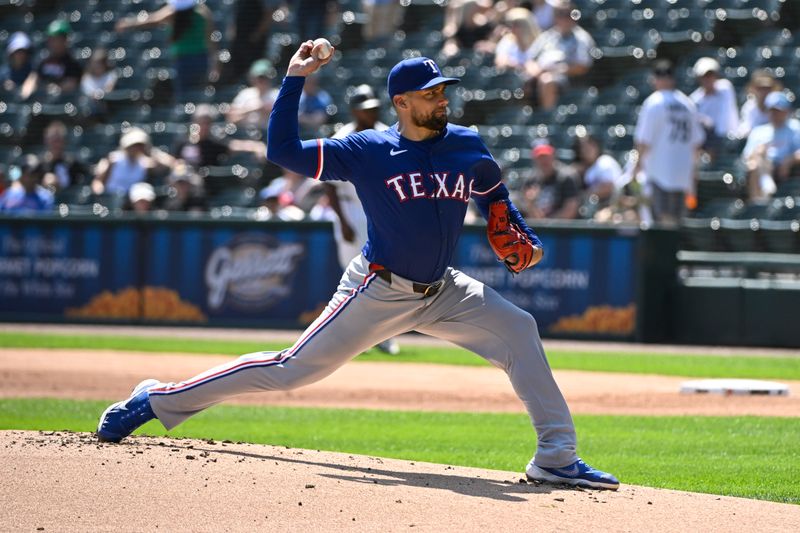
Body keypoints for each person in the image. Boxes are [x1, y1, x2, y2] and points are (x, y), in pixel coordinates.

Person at [96, 42, 619, 492]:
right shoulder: (367, 149)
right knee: (289, 370)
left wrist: (507, 216)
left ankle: (555, 458)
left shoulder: (465, 142)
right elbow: (282, 150)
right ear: (402, 102)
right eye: (432, 92)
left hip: (442, 291)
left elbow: (491, 192)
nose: (442, 98)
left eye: (443, 91)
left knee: (519, 329)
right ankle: (157, 398)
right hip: (377, 288)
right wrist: (295, 78)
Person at [322, 84, 399, 355]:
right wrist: (342, 220)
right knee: (352, 276)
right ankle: (354, 337)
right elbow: (328, 184)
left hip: (378, 210)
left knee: (383, 275)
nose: (372, 112)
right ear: (354, 110)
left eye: (374, 107)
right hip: (350, 210)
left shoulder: (385, 134)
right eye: (366, 109)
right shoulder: (341, 138)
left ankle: (384, 336)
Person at [633, 60, 704, 224]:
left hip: (659, 172)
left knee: (659, 223)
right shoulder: (687, 103)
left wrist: (637, 166)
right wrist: (693, 172)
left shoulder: (654, 102)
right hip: (682, 173)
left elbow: (644, 140)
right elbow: (697, 144)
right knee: (675, 223)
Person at [115, 0, 219, 102]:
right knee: (197, 94)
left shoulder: (174, 12)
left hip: (184, 61)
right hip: (201, 59)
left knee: (185, 96)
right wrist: (214, 63)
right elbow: (211, 40)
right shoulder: (203, 12)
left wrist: (128, 23)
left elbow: (153, 19)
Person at [524, 0, 594, 110]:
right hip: (539, 74)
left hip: (568, 79)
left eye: (567, 15)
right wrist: (535, 71)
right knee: (518, 81)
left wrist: (555, 70)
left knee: (547, 80)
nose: (564, 19)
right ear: (555, 17)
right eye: (560, 14)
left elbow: (582, 66)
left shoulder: (581, 38)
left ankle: (548, 119)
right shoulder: (547, 36)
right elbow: (529, 59)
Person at [742, 91, 800, 199]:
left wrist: (790, 160)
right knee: (755, 163)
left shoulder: (795, 128)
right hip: (763, 166)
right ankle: (759, 203)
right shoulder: (759, 131)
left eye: (778, 111)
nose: (775, 114)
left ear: (786, 111)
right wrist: (758, 152)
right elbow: (747, 156)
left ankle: (768, 187)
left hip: (786, 169)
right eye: (772, 111)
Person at [174, 104, 267, 168]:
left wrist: (257, 146)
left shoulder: (213, 142)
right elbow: (174, 160)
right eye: (202, 122)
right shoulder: (183, 141)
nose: (204, 126)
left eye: (208, 123)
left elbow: (236, 145)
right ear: (194, 122)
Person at [92, 128, 175, 196]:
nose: (136, 148)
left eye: (139, 145)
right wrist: (101, 194)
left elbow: (170, 163)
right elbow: (98, 181)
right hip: (111, 198)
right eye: (134, 145)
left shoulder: (145, 163)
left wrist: (150, 151)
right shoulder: (113, 159)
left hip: (132, 202)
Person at [517, 140, 581, 219]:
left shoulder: (566, 177)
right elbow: (531, 217)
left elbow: (570, 211)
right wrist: (530, 204)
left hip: (562, 229)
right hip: (537, 229)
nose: (544, 160)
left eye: (546, 156)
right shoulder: (530, 180)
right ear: (534, 159)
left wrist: (547, 224)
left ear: (553, 156)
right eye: (540, 157)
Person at [20, 20, 83, 100]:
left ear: (65, 40)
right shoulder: (43, 59)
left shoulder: (73, 61)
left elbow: (71, 83)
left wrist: (57, 88)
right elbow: (33, 78)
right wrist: (27, 91)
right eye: (51, 39)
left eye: (57, 39)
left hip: (65, 103)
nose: (53, 43)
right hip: (42, 102)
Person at [689, 57, 738, 156]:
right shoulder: (694, 100)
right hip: (710, 144)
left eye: (711, 75)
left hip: (732, 139)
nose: (708, 79)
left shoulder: (725, 88)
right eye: (705, 76)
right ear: (699, 78)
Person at [225, 0, 280, 82]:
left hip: (255, 41)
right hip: (239, 39)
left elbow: (269, 13)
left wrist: (257, 34)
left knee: (255, 68)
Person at [572, 134, 623, 210]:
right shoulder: (587, 167)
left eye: (590, 146)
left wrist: (583, 196)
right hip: (599, 205)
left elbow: (608, 188)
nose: (587, 150)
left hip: (614, 204)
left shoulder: (605, 161)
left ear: (597, 146)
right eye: (584, 148)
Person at [226, 59, 278, 129]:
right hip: (244, 134)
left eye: (264, 77)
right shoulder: (245, 94)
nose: (261, 81)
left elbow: (288, 118)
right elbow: (231, 118)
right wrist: (254, 109)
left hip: (270, 135)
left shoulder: (277, 95)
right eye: (258, 78)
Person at [40, 121, 90, 190]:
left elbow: (88, 172)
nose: (56, 144)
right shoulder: (40, 165)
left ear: (64, 141)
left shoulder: (72, 163)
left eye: (59, 140)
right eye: (53, 140)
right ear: (46, 141)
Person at [737, 70, 781, 139]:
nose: (764, 92)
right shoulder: (749, 107)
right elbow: (745, 129)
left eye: (768, 88)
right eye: (760, 88)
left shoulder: (780, 105)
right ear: (753, 89)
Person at [493, 8, 540, 72]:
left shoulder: (539, 43)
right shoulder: (507, 41)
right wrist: (519, 66)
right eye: (511, 24)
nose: (512, 28)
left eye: (517, 25)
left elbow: (537, 67)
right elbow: (500, 62)